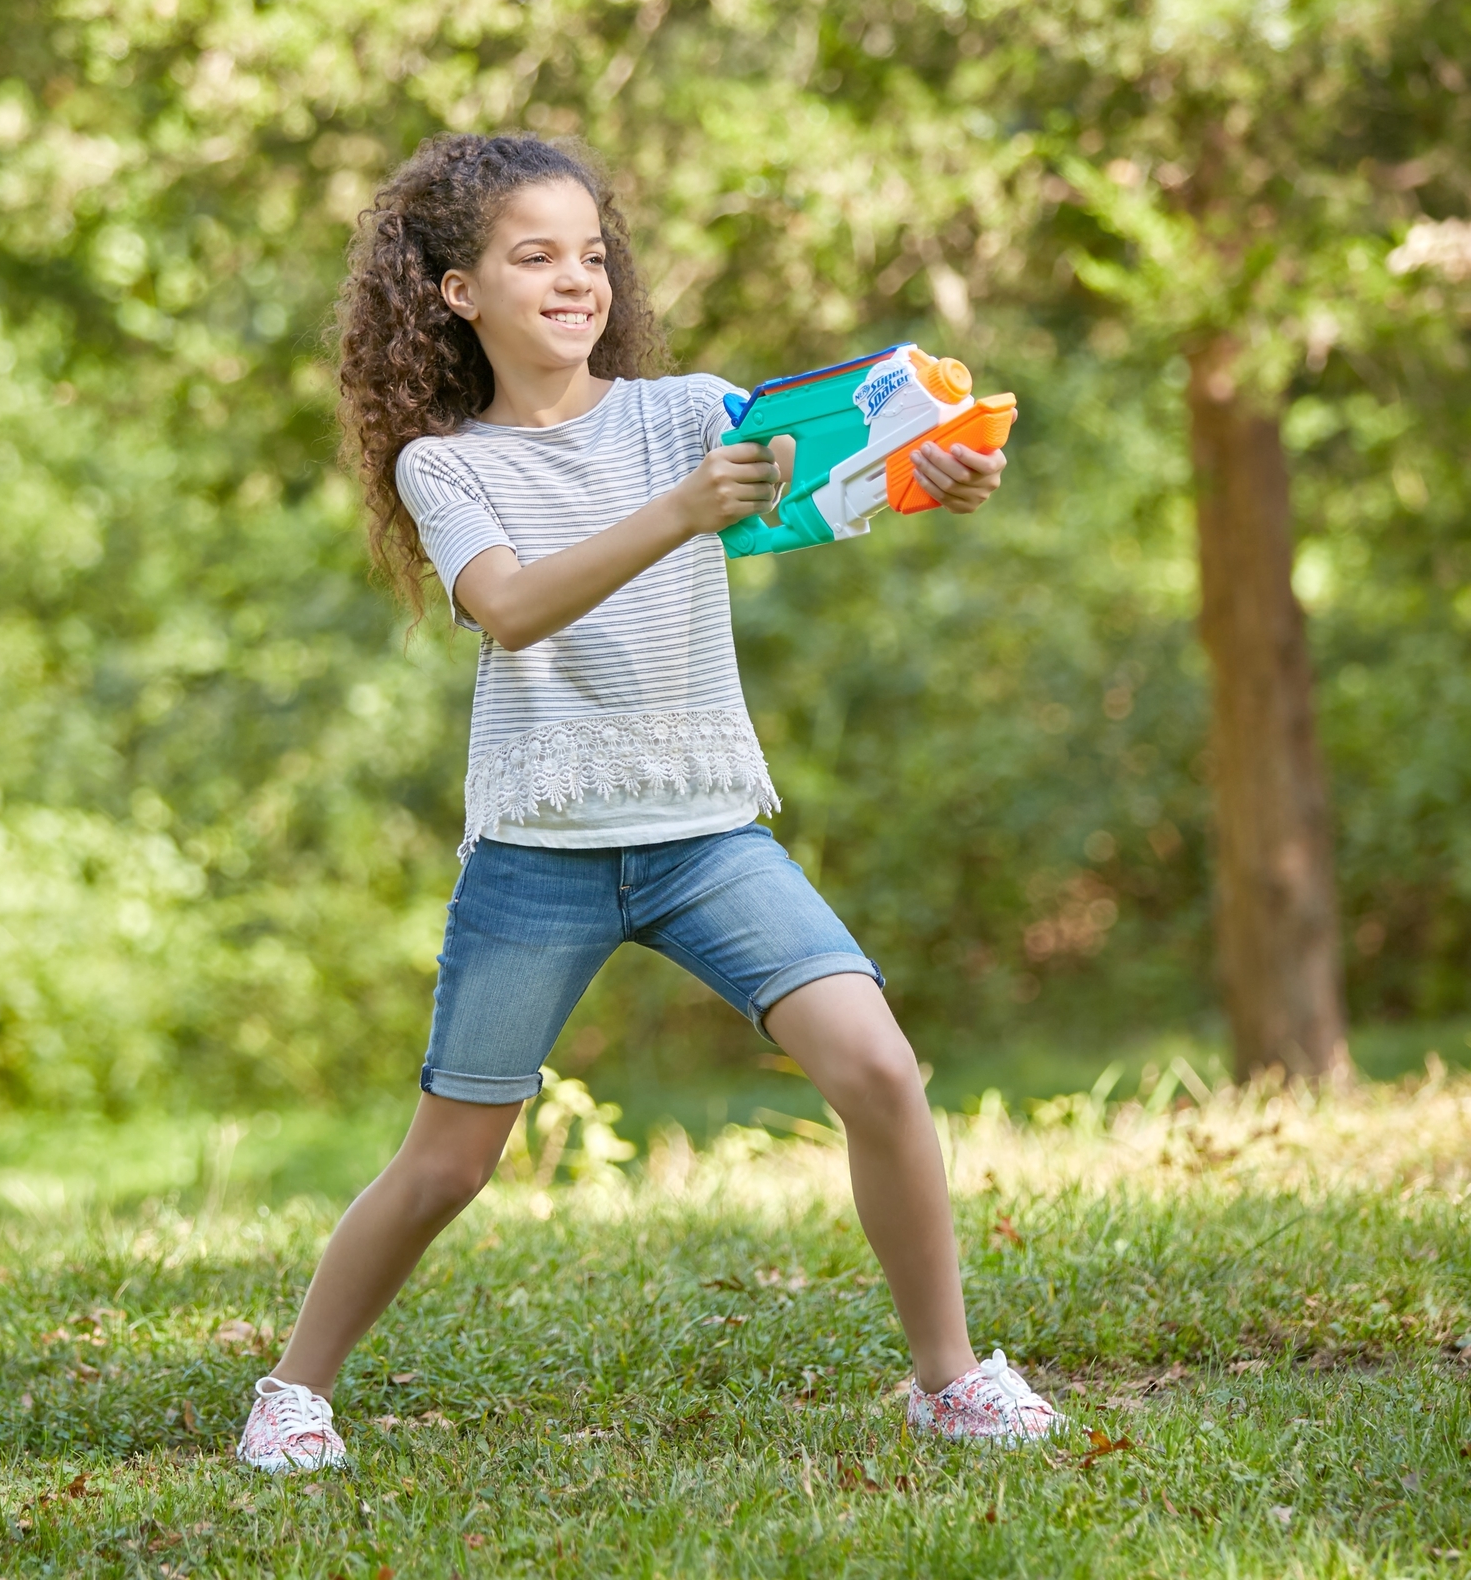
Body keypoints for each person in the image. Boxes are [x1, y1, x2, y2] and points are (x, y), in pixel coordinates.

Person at [236, 132, 1066, 1472]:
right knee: (450, 1165)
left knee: (879, 1070)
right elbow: (509, 607)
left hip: (702, 834)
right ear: (458, 291)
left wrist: (943, 475)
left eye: (590, 253)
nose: (577, 279)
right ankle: (292, 1391)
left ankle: (950, 1377)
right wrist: (683, 512)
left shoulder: (689, 413)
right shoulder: (446, 466)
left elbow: (848, 480)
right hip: (541, 853)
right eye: (534, 257)